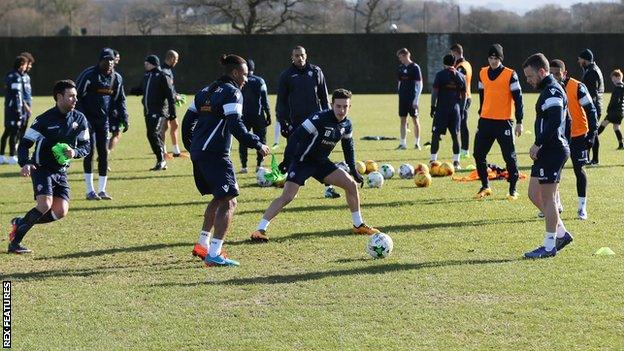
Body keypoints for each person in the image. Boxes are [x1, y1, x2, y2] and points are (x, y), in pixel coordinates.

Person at [249, 89, 380, 243]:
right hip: (302, 161)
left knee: (351, 184)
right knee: (288, 196)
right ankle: (259, 230)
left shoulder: (346, 124)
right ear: (332, 105)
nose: (341, 110)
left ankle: (358, 225)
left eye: (345, 106)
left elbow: (348, 147)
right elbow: (296, 136)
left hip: (321, 162)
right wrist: (287, 160)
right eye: (338, 106)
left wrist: (353, 169)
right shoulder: (320, 118)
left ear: (349, 107)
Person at [181, 54, 270, 267]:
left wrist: (191, 146)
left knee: (220, 198)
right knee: (230, 200)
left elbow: (187, 122)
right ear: (235, 73)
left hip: (199, 152)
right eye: (245, 75)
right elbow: (236, 126)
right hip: (215, 154)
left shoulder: (205, 91)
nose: (247, 79)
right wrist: (257, 143)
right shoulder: (233, 93)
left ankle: (203, 244)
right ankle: (215, 253)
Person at [7, 80, 91, 254]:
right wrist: (26, 163)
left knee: (60, 211)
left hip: (61, 171)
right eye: (71, 96)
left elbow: (87, 146)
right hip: (42, 168)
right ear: (59, 97)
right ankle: (15, 243)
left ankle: (20, 223)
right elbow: (24, 144)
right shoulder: (44, 120)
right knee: (45, 205)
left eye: (76, 96)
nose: (75, 99)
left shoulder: (79, 119)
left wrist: (74, 152)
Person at [522, 53, 573, 259]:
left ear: (542, 72)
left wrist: (539, 143)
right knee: (534, 194)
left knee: (549, 197)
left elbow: (555, 121)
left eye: (530, 76)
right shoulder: (548, 90)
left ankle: (550, 245)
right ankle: (561, 233)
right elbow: (566, 120)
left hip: (551, 150)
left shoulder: (552, 90)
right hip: (548, 150)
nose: (528, 80)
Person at [276, 46, 339, 199]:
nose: (300, 58)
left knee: (322, 153)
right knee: (295, 153)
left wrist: (329, 117)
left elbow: (324, 96)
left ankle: (329, 188)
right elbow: (281, 102)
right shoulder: (286, 75)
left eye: (302, 55)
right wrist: (283, 123)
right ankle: (292, 188)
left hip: (317, 122)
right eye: (296, 55)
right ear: (292, 57)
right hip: (297, 123)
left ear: (306, 55)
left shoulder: (316, 71)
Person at [76, 48, 127, 200]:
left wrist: (124, 117)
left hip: (103, 122)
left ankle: (102, 190)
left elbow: (120, 100)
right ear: (100, 61)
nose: (109, 62)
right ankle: (90, 190)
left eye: (111, 60)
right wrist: (81, 119)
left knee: (103, 153)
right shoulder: (89, 75)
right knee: (89, 152)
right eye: (106, 59)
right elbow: (76, 97)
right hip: (87, 121)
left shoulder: (116, 78)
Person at [474, 44, 524, 200]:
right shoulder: (482, 73)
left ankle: (513, 189)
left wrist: (519, 121)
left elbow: (518, 99)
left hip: (504, 122)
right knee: (478, 154)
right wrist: (481, 110)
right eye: (491, 58)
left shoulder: (511, 74)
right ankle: (485, 185)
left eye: (496, 58)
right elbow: (482, 94)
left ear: (501, 59)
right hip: (486, 121)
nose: (493, 61)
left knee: (509, 157)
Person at [550, 59, 598, 220]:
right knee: (555, 171)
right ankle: (555, 204)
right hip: (559, 136)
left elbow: (591, 111)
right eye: (552, 74)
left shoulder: (578, 87)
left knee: (579, 169)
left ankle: (582, 208)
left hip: (578, 135)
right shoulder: (549, 87)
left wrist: (592, 134)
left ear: (565, 73)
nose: (555, 77)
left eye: (558, 74)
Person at [131, 55, 176, 170]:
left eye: (147, 62)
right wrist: (132, 90)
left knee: (153, 134)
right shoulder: (147, 76)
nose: (145, 64)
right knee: (152, 135)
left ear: (154, 63)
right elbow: (142, 89)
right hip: (148, 111)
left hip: (159, 111)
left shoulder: (162, 76)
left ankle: (161, 160)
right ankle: (161, 160)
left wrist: (172, 113)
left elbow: (170, 96)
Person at [430, 54, 466, 169]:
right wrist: (462, 109)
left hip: (442, 109)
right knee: (455, 135)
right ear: (454, 63)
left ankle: (433, 161)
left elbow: (435, 92)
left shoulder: (440, 75)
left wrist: (432, 106)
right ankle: (456, 162)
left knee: (436, 135)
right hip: (455, 109)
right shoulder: (461, 76)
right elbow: (464, 95)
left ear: (443, 63)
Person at [238, 59, 270, 173]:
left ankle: (244, 166)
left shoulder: (241, 80)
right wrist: (269, 115)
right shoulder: (260, 81)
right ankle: (259, 165)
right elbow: (265, 100)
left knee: (243, 140)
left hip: (243, 115)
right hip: (258, 115)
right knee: (261, 140)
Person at [578, 49, 604, 165]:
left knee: (592, 132)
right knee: (592, 132)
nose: (578, 61)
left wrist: (588, 108)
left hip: (593, 106)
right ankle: (590, 158)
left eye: (580, 59)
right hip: (594, 106)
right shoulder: (591, 69)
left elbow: (592, 93)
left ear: (585, 59)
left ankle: (593, 159)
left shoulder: (592, 71)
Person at [1, 55, 28, 165]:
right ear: (21, 65)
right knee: (14, 132)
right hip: (14, 109)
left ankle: (1, 156)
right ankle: (12, 156)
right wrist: (19, 110)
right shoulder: (17, 77)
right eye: (25, 65)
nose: (26, 67)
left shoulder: (9, 74)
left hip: (8, 107)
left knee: (7, 132)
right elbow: (17, 95)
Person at [395, 48, 423, 150]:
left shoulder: (415, 67)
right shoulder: (400, 68)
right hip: (403, 98)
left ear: (405, 55)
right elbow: (399, 83)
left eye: (400, 57)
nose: (400, 59)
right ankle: (403, 144)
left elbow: (419, 84)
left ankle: (417, 143)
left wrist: (416, 100)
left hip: (412, 98)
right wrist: (400, 94)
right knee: (403, 120)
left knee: (415, 120)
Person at [450, 44, 473, 158]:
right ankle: (464, 149)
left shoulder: (460, 67)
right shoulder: (467, 63)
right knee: (462, 123)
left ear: (455, 53)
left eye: (452, 54)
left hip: (462, 98)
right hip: (467, 96)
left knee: (462, 123)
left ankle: (464, 150)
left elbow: (459, 83)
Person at [160, 49, 183, 157]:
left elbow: (170, 88)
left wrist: (176, 95)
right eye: (177, 59)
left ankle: (176, 151)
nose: (177, 61)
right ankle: (163, 152)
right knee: (164, 127)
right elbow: (164, 90)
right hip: (164, 104)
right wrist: (174, 96)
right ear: (172, 58)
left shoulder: (168, 70)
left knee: (175, 125)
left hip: (170, 103)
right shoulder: (163, 70)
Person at [107, 50, 129, 154]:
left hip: (109, 111)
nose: (117, 60)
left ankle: (104, 154)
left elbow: (121, 97)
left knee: (115, 133)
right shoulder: (116, 77)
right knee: (116, 133)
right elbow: (121, 98)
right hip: (111, 111)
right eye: (116, 58)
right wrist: (124, 116)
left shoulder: (117, 77)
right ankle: (105, 154)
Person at [596, 69, 624, 149]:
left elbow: (615, 100)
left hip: (614, 112)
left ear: (618, 77)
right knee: (616, 127)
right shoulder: (622, 86)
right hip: (620, 112)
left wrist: (609, 109)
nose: (612, 81)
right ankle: (621, 144)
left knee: (603, 124)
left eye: (613, 79)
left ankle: (592, 139)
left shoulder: (618, 87)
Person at [18, 52, 35, 143]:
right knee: (18, 128)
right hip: (21, 107)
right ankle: (16, 146)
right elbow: (19, 94)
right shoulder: (17, 77)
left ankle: (20, 145)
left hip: (28, 105)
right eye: (29, 64)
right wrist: (26, 106)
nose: (30, 66)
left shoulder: (27, 77)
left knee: (24, 127)